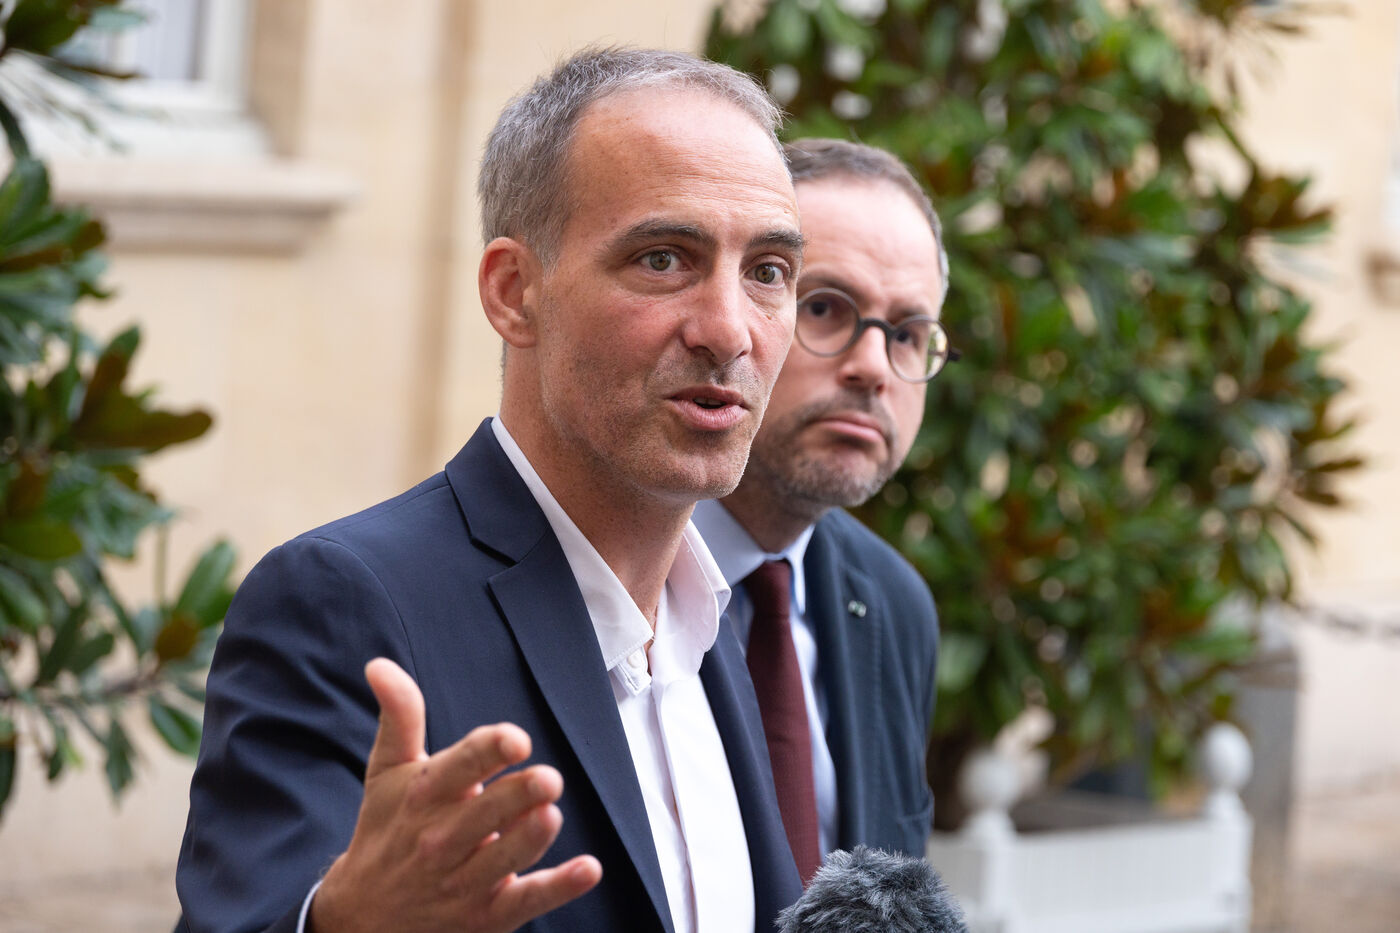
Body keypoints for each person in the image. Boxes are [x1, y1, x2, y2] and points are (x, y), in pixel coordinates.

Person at [175, 47, 807, 933]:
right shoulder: (343, 603)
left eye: (768, 271)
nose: (729, 330)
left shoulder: (716, 620)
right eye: (664, 259)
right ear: (514, 293)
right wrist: (345, 923)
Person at [692, 138, 952, 878]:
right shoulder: (593, 570)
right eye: (826, 308)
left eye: (908, 334)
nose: (873, 367)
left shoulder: (895, 603)